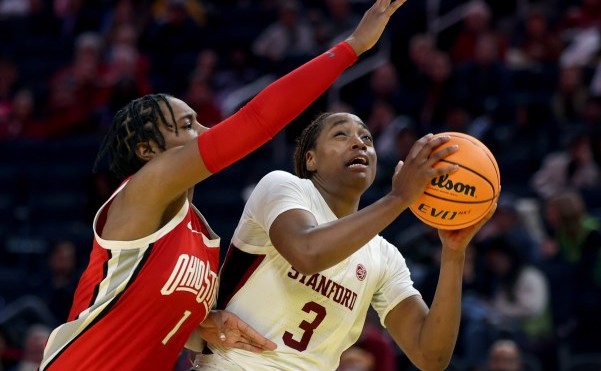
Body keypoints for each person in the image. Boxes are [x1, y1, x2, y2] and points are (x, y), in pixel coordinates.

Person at [38, 0, 412, 371]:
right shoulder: (143, 190)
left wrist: (206, 326)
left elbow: (158, 319)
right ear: (147, 150)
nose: (205, 132)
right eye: (186, 126)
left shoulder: (198, 233)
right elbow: (255, 120)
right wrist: (352, 47)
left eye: (200, 122)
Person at [192, 111, 497, 370]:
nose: (359, 143)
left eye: (367, 138)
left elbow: (431, 356)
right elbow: (307, 253)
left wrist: (453, 253)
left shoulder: (384, 255)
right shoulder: (282, 187)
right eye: (341, 135)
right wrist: (400, 198)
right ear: (311, 159)